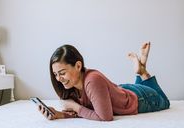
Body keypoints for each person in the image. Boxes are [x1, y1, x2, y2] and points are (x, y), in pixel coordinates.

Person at [39, 42, 170, 121]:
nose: (58, 79)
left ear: (78, 66)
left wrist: (74, 107)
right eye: (55, 74)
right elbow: (87, 112)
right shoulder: (72, 86)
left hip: (142, 99)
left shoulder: (92, 81)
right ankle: (141, 69)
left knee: (165, 101)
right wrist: (59, 115)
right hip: (122, 92)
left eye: (62, 73)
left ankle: (142, 72)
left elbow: (104, 117)